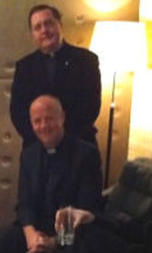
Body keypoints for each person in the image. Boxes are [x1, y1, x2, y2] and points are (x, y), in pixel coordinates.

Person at [0, 94, 102, 253]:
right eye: (37, 121)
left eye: (49, 119)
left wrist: (54, 242)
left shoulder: (86, 155)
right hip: (36, 229)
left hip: (70, 236)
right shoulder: (29, 154)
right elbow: (24, 204)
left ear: (62, 117)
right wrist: (31, 235)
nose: (43, 126)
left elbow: (87, 209)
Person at [10, 4, 101, 147]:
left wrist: (59, 139)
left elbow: (90, 108)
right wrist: (45, 139)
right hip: (36, 149)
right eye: (38, 27)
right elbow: (18, 112)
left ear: (60, 25)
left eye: (48, 23)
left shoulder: (86, 61)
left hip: (78, 147)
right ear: (33, 34)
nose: (44, 30)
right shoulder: (24, 67)